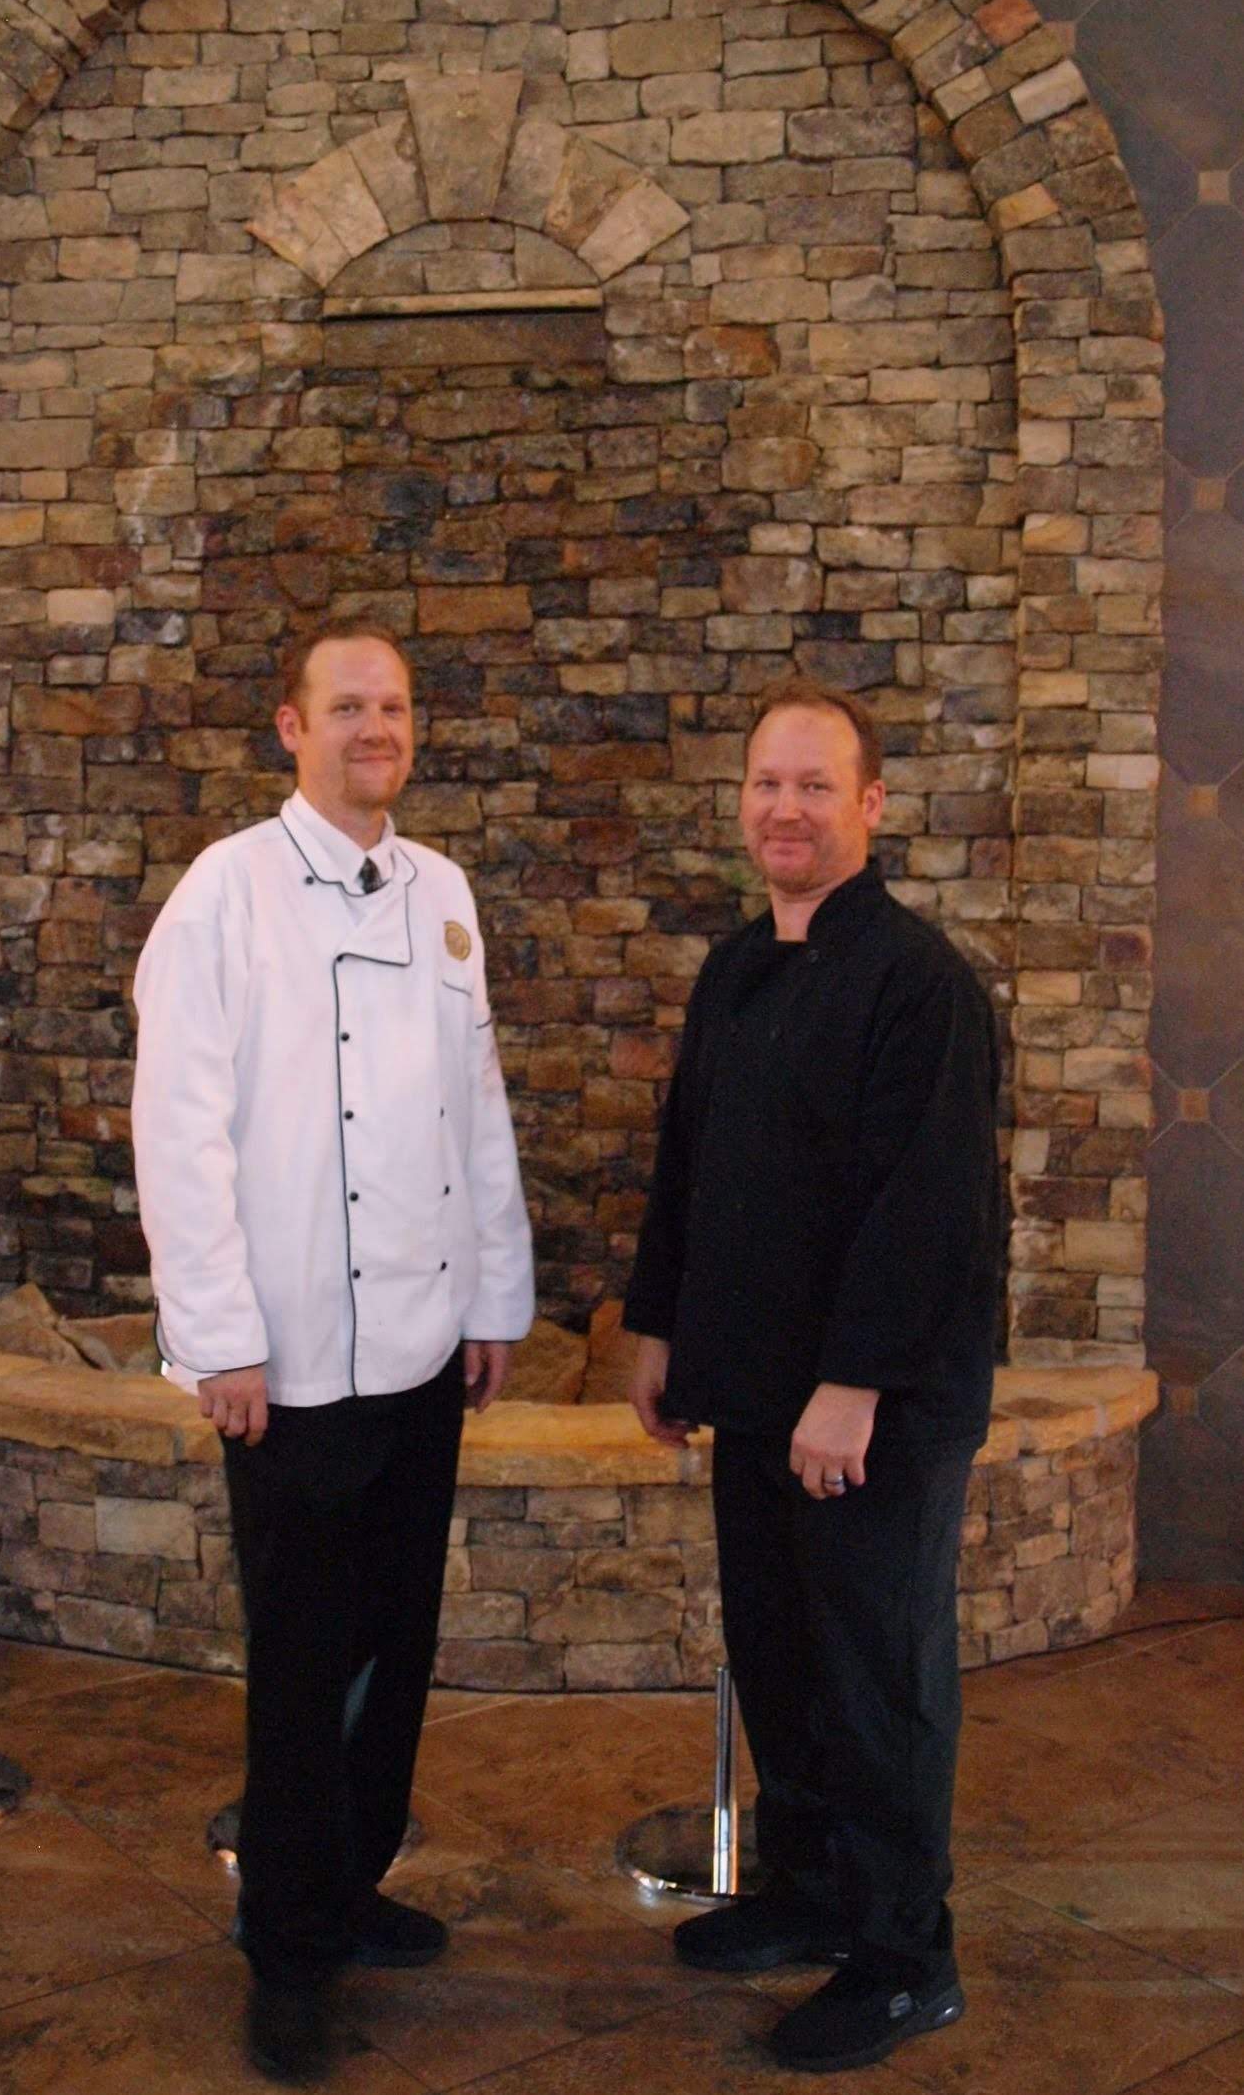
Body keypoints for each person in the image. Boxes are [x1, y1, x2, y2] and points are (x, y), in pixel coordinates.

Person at [131, 623, 534, 2083]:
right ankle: (286, 1945)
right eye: (346, 705)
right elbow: (175, 1127)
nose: (376, 726)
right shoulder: (225, 892)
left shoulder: (441, 892)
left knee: (397, 1644)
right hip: (290, 1363)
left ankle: (349, 1886)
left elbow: (469, 1109)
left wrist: (496, 1298)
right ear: (288, 728)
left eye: (395, 706)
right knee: (302, 1665)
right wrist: (219, 1337)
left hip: (423, 1350)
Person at [624, 676, 1001, 2075]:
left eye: (812, 785)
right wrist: (656, 1325)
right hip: (753, 1393)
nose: (783, 808)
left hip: (872, 1411)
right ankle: (808, 1890)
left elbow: (927, 1206)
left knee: (875, 1675)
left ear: (871, 806)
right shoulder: (734, 969)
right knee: (778, 1658)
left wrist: (851, 1384)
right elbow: (691, 1164)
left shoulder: (921, 985)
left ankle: (906, 1956)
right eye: (764, 784)